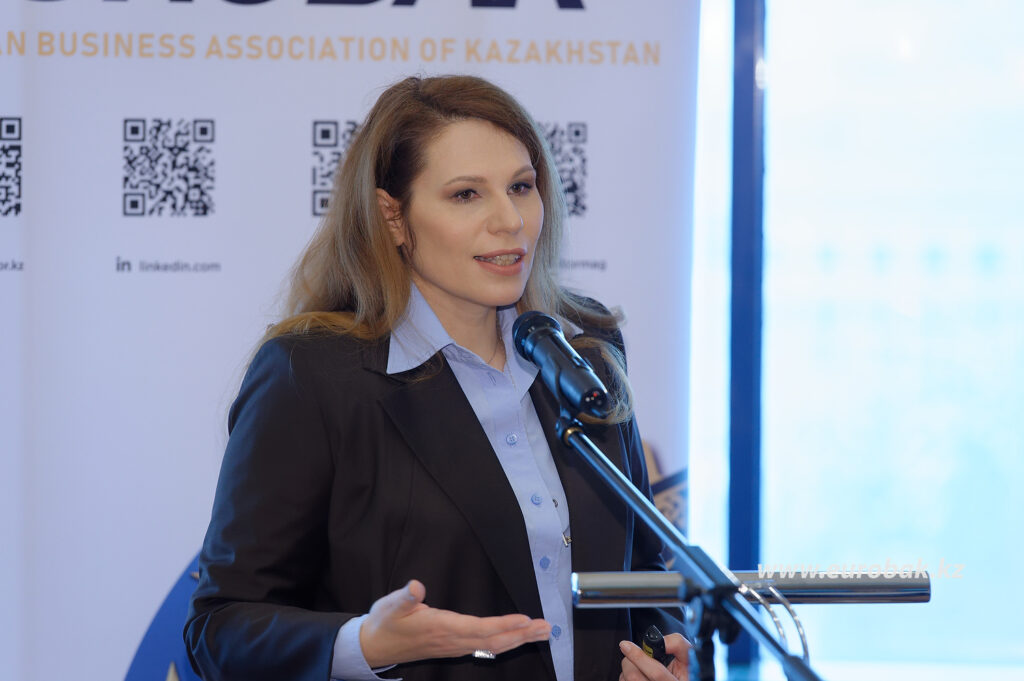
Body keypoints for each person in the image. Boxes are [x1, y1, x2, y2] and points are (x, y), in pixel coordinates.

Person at [184, 74, 689, 681]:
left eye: (521, 187)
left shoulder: (584, 347)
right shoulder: (312, 375)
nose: (510, 220)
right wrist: (364, 645)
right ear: (393, 217)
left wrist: (663, 653)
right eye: (466, 195)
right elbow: (220, 629)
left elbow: (641, 573)